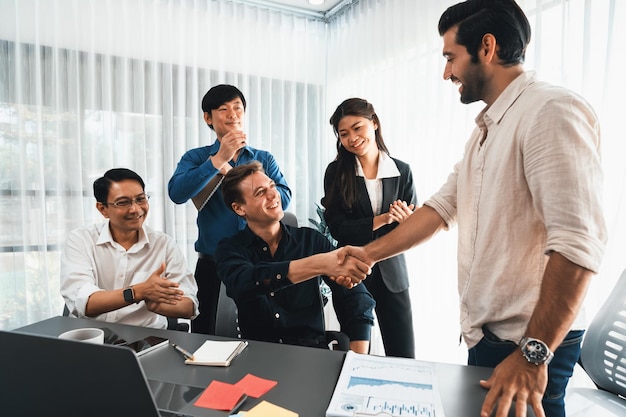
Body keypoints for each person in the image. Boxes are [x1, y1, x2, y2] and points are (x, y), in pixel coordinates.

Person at [334, 1, 607, 416]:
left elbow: (577, 245)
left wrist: (534, 354)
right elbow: (440, 209)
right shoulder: (485, 132)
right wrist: (368, 255)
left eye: (450, 57)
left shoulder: (550, 111)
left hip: (530, 341)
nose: (447, 73)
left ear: (487, 47)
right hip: (489, 336)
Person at [168, 84, 291, 335]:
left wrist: (242, 181)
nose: (232, 114)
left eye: (237, 108)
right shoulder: (195, 158)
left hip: (262, 262)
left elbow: (285, 198)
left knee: (264, 333)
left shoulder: (263, 158)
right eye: (223, 109)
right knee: (207, 334)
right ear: (208, 118)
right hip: (213, 265)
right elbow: (176, 193)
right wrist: (218, 160)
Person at [214, 161, 375, 353]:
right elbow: (246, 282)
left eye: (272, 186)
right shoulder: (230, 249)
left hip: (310, 355)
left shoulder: (312, 241)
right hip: (258, 356)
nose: (273, 195)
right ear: (239, 208)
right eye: (260, 192)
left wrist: (357, 359)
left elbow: (357, 299)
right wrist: (318, 264)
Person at [321, 98, 417, 358]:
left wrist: (408, 221)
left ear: (374, 123)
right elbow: (338, 227)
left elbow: (414, 225)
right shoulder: (336, 173)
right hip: (353, 272)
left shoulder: (401, 171)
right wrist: (382, 219)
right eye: (344, 133)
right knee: (356, 354)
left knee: (403, 353)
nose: (352, 138)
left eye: (358, 128)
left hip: (392, 272)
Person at [60, 168, 199, 329]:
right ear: (102, 209)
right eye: (123, 202)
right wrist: (139, 291)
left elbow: (189, 306)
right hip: (91, 338)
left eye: (140, 199)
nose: (135, 209)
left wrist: (157, 306)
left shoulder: (164, 245)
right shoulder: (80, 240)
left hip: (146, 339)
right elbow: (85, 303)